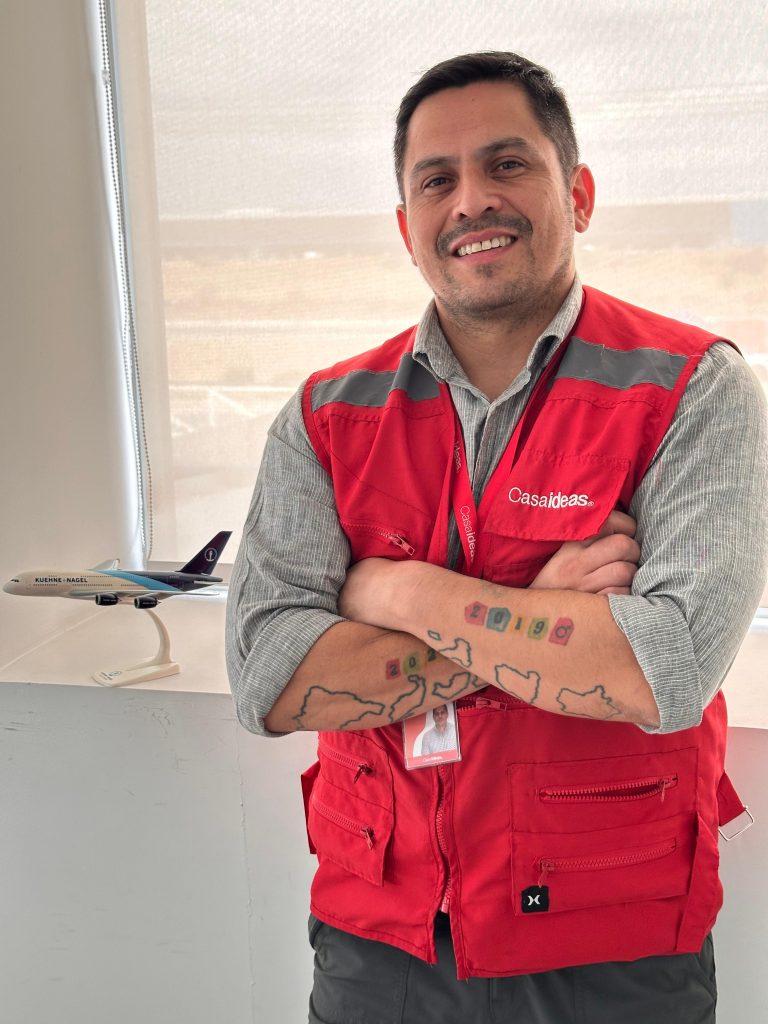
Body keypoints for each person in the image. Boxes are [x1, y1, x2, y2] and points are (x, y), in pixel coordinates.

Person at [226, 51, 768, 1024]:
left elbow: (665, 671)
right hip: (381, 941)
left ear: (579, 194)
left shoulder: (690, 388)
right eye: (437, 179)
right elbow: (271, 678)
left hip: (612, 942)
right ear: (407, 227)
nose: (471, 199)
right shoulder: (325, 417)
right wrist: (547, 615)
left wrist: (401, 592)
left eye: (506, 164)